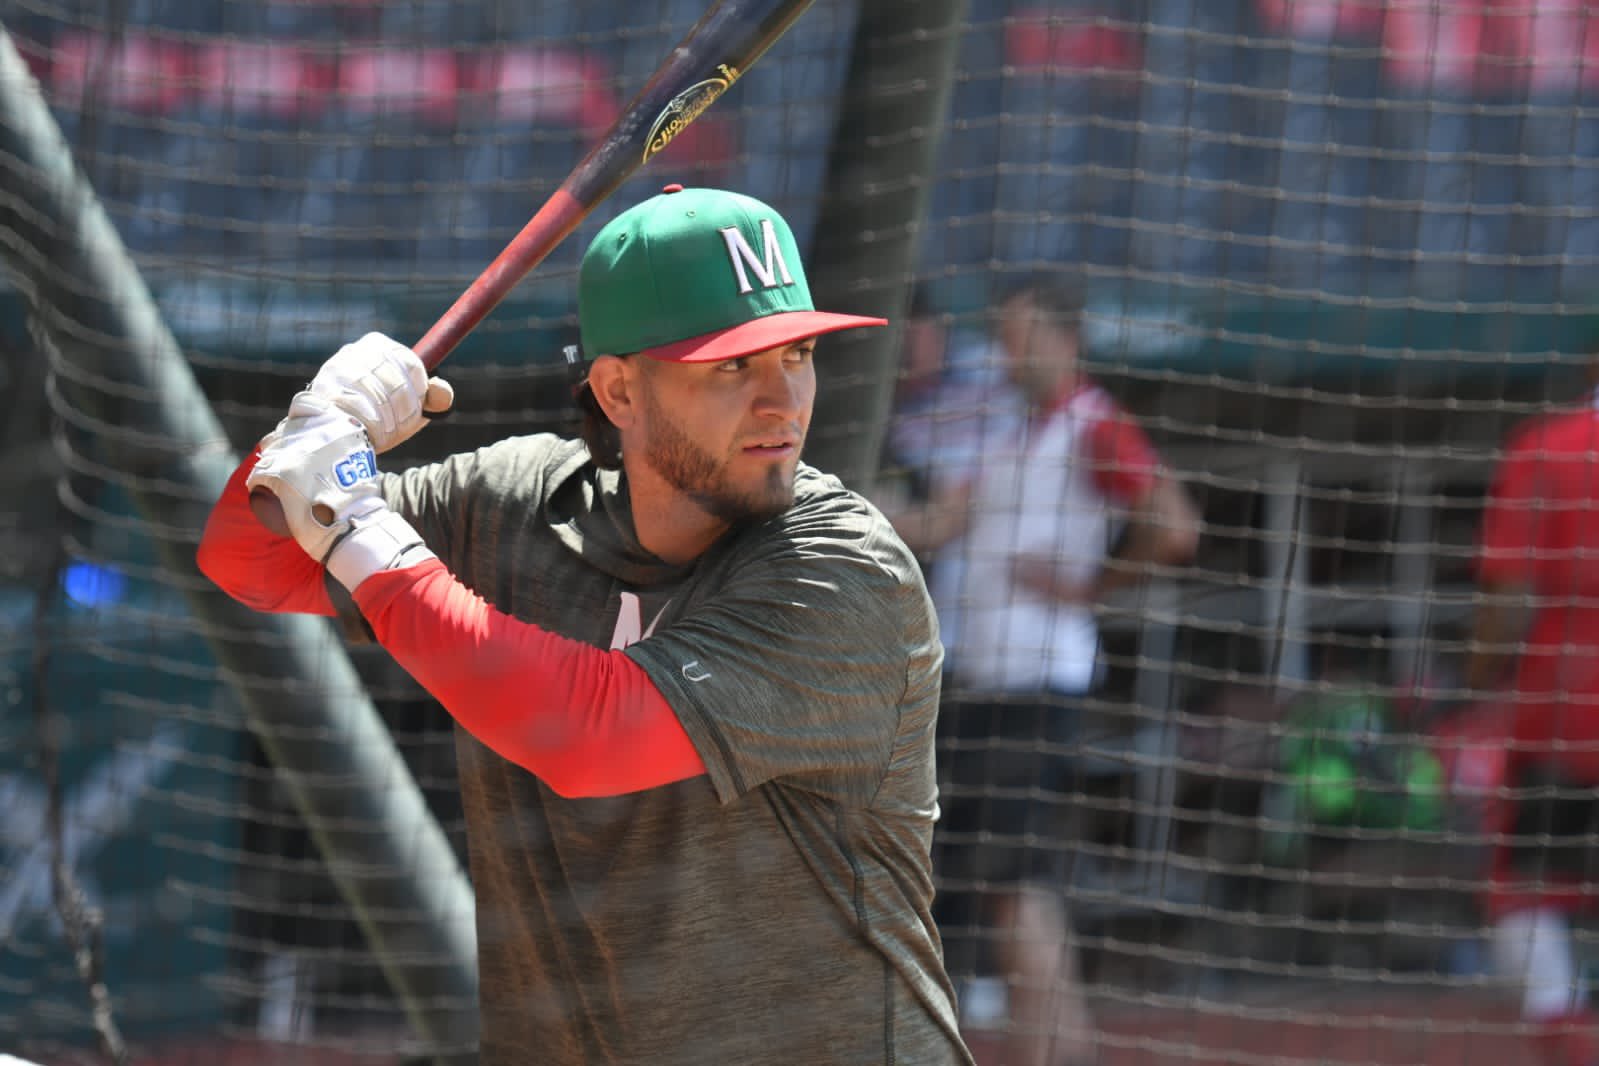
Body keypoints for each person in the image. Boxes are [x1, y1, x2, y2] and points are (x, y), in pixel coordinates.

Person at [196, 184, 974, 1066]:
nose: (781, 401)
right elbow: (248, 561)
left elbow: (591, 734)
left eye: (795, 355)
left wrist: (357, 523)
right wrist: (308, 433)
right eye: (732, 366)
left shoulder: (840, 568)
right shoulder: (515, 499)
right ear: (618, 392)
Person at [889, 275, 1200, 1066]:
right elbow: (935, 524)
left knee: (1015, 888)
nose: (1005, 350)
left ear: (1064, 340)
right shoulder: (1007, 428)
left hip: (1037, 686)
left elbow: (1173, 525)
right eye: (1002, 333)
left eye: (1020, 335)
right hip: (983, 684)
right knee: (1010, 891)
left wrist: (1091, 588)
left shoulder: (1094, 424)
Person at [1469, 349, 1599, 1066]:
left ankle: (1567, 1042)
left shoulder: (1548, 446)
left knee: (1522, 894)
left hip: (1568, 708)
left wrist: (1475, 671)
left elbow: (1508, 593)